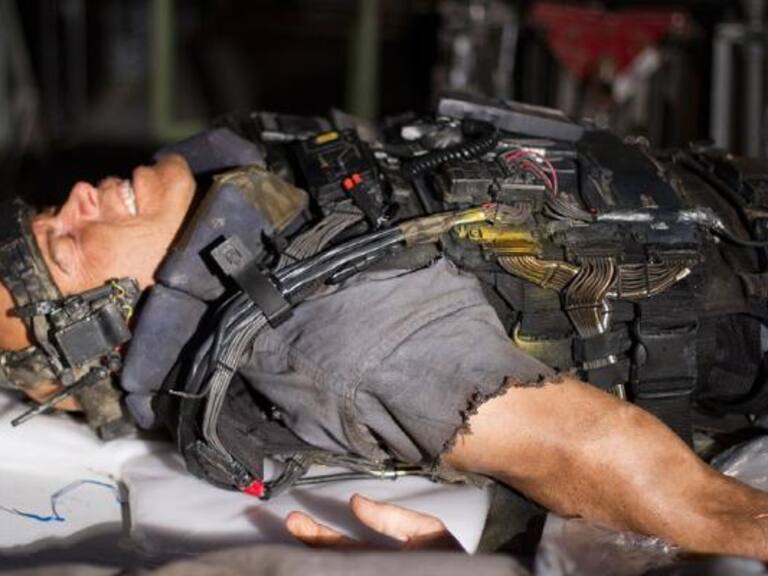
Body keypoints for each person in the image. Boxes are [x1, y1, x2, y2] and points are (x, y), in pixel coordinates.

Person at [3, 107, 768, 561]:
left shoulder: (274, 198)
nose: (80, 195)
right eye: (64, 245)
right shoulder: (331, 339)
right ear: (112, 330)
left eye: (51, 210)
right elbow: (582, 449)